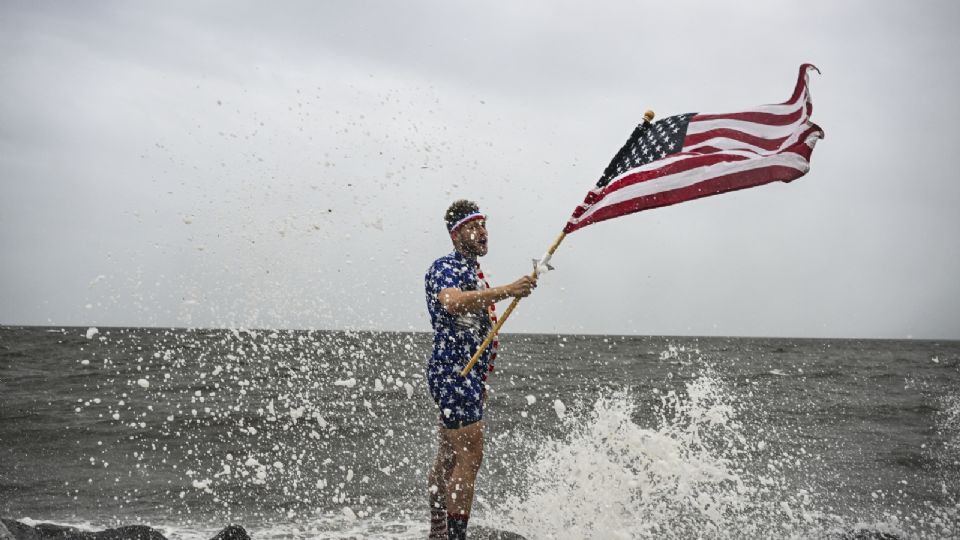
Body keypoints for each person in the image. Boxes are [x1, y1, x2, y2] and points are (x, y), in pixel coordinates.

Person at [424, 200, 537, 540]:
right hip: (452, 372)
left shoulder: (472, 271)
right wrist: (508, 290)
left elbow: (477, 326)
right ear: (456, 234)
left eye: (484, 225)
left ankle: (437, 531)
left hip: (464, 375)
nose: (483, 232)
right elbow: (452, 302)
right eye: (473, 227)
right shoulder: (446, 266)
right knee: (470, 457)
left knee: (447, 456)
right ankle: (454, 537)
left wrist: (480, 377)